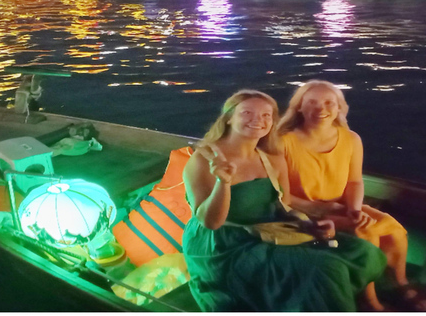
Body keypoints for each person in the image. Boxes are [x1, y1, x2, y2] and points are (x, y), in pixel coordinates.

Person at [182, 89, 387, 312]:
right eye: (247, 113)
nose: (257, 120)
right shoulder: (204, 160)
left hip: (268, 233)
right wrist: (223, 182)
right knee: (326, 268)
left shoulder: (272, 159)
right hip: (223, 245)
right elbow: (210, 223)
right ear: (229, 118)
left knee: (362, 251)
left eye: (266, 115)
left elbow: (285, 205)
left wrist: (310, 224)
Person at [278, 80, 425, 311]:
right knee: (364, 232)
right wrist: (322, 210)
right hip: (304, 211)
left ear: (339, 108)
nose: (321, 109)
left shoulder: (351, 139)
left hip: (341, 206)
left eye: (329, 102)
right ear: (299, 107)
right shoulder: (283, 142)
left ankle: (400, 282)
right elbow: (281, 196)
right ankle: (369, 298)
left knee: (392, 228)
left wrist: (354, 209)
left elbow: (355, 181)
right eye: (312, 103)